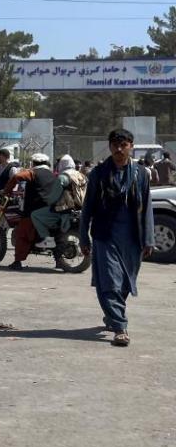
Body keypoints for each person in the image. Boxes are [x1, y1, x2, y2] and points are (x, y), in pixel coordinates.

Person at [80, 129, 155, 347]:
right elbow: (88, 209)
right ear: (110, 146)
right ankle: (120, 327)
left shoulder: (140, 174)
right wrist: (84, 238)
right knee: (110, 281)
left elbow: (147, 206)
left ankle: (112, 315)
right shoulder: (99, 173)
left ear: (131, 146)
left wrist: (149, 238)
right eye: (115, 145)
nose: (119, 149)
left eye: (124, 145)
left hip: (132, 237)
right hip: (105, 235)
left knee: (124, 284)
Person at [2, 154, 56, 270]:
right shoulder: (51, 174)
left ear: (34, 163)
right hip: (51, 209)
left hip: (35, 209)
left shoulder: (33, 172)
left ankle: (17, 262)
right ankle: (58, 259)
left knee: (22, 233)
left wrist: (6, 191)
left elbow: (17, 176)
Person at [31, 154, 87, 249]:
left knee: (35, 215)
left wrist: (46, 200)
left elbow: (54, 194)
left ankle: (47, 239)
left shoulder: (64, 176)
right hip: (80, 208)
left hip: (64, 208)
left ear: (62, 164)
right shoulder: (81, 175)